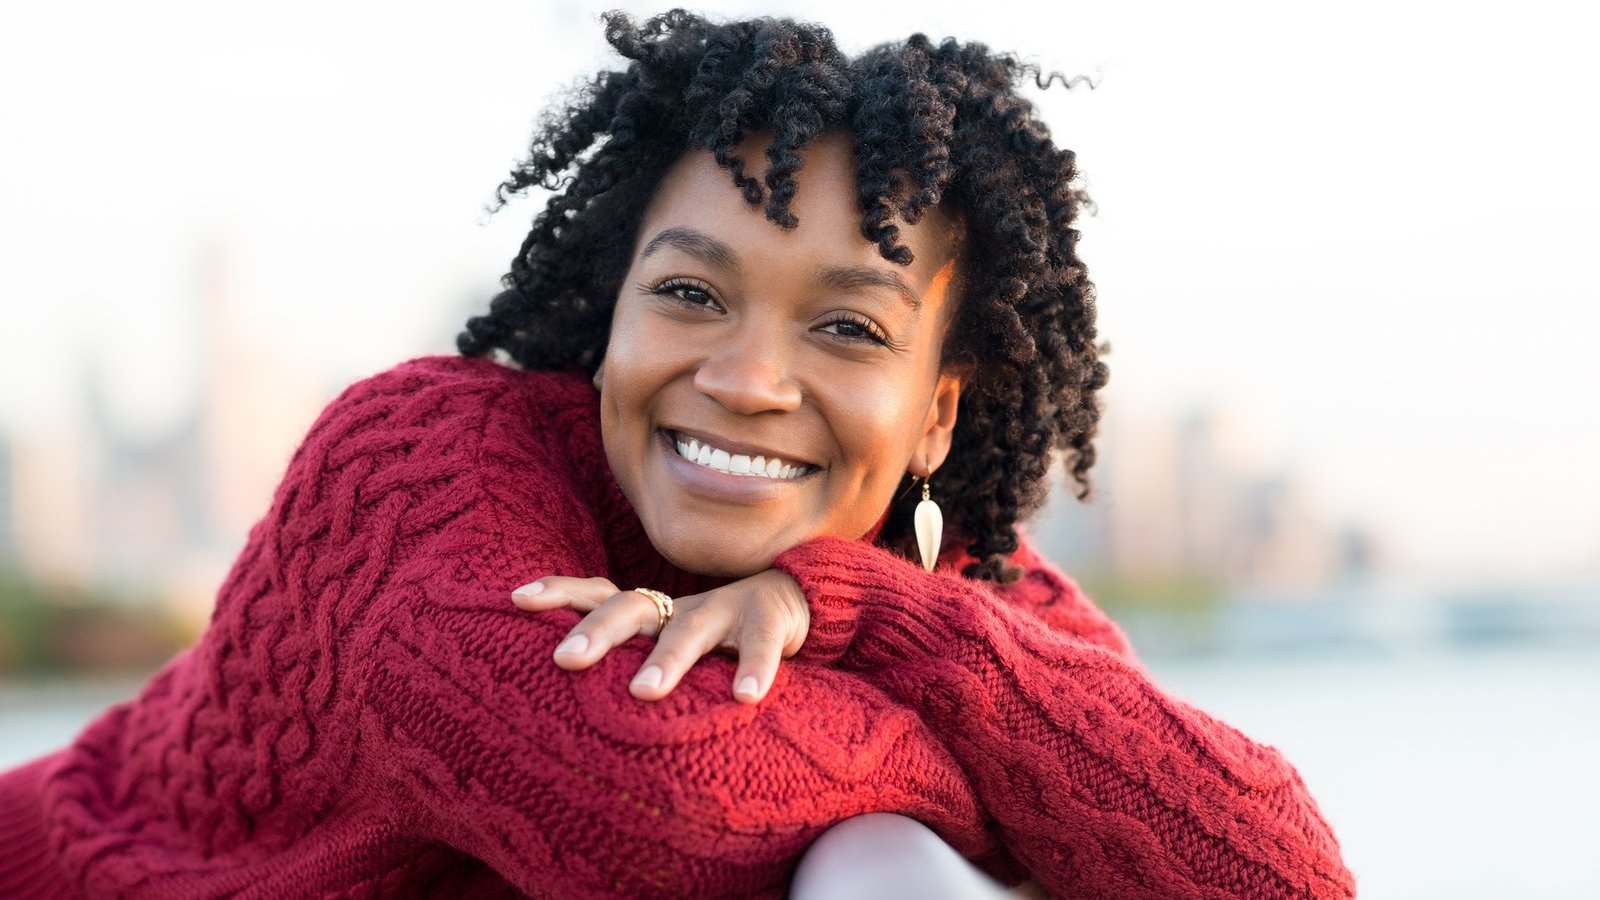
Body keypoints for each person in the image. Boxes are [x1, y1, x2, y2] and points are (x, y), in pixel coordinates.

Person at [0, 10, 1355, 899]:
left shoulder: (948, 595)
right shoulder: (420, 465)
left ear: (938, 411)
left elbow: (1281, 876)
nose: (748, 380)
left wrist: (867, 617)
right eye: (691, 294)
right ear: (615, 304)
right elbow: (663, 789)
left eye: (843, 325)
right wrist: (997, 782)